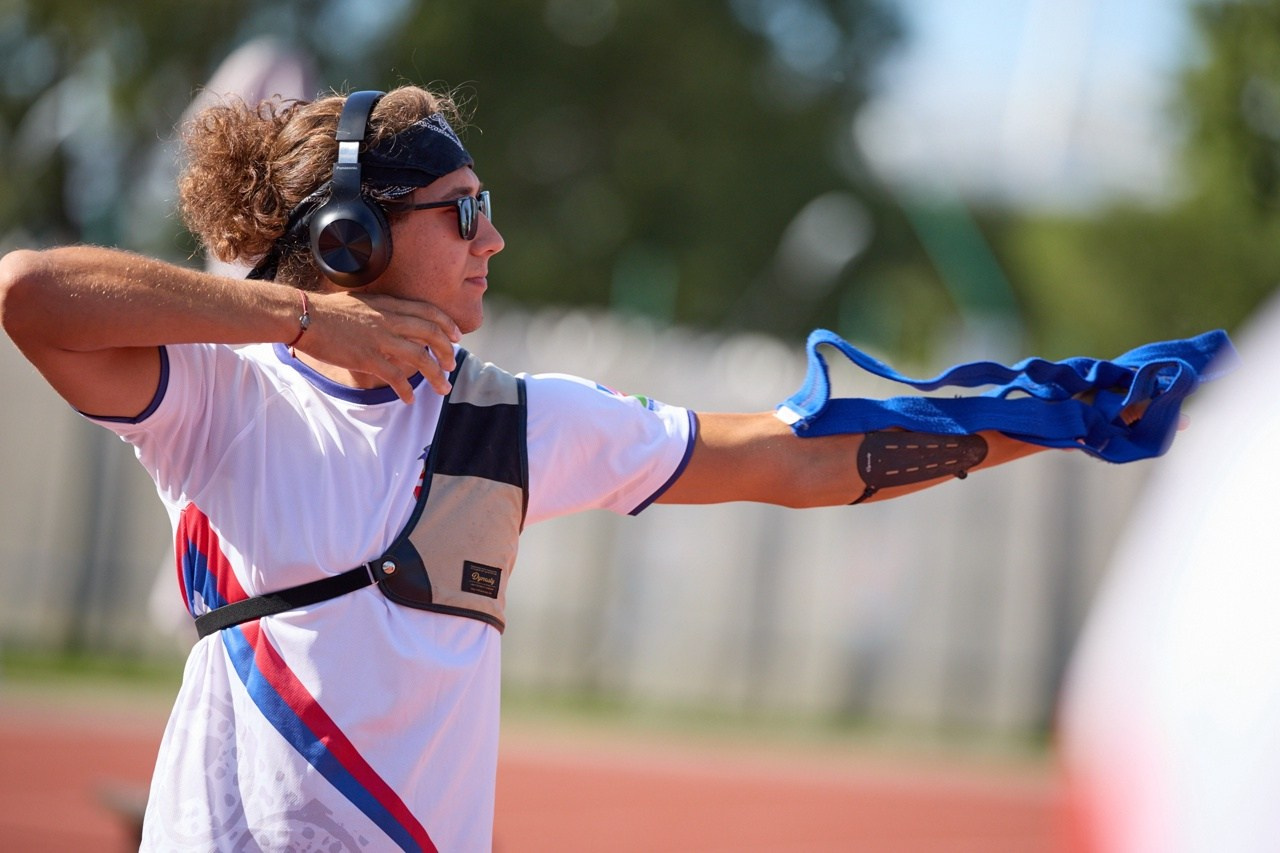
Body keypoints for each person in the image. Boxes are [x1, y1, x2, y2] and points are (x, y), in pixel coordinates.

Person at [0, 84, 1180, 851]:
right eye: (463, 212)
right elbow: (31, 295)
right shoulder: (220, 396)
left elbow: (787, 461)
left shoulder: (513, 423)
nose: (493, 239)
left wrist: (1051, 419)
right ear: (348, 237)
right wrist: (305, 323)